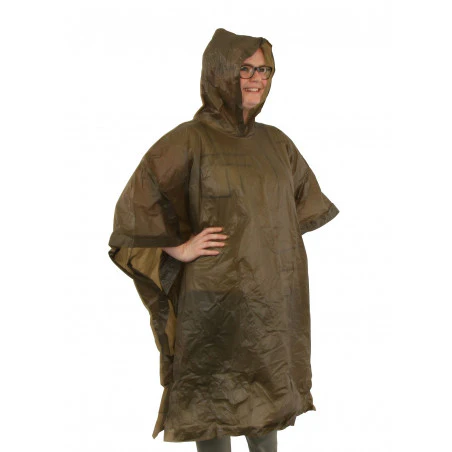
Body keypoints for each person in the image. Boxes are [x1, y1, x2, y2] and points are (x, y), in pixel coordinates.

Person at [108, 28, 339, 451]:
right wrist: (179, 247)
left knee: (265, 404)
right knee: (210, 405)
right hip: (213, 301)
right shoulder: (189, 140)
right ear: (220, 72)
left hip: (269, 302)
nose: (257, 79)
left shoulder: (277, 143)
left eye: (264, 70)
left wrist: (270, 248)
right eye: (245, 69)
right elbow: (140, 200)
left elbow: (297, 210)